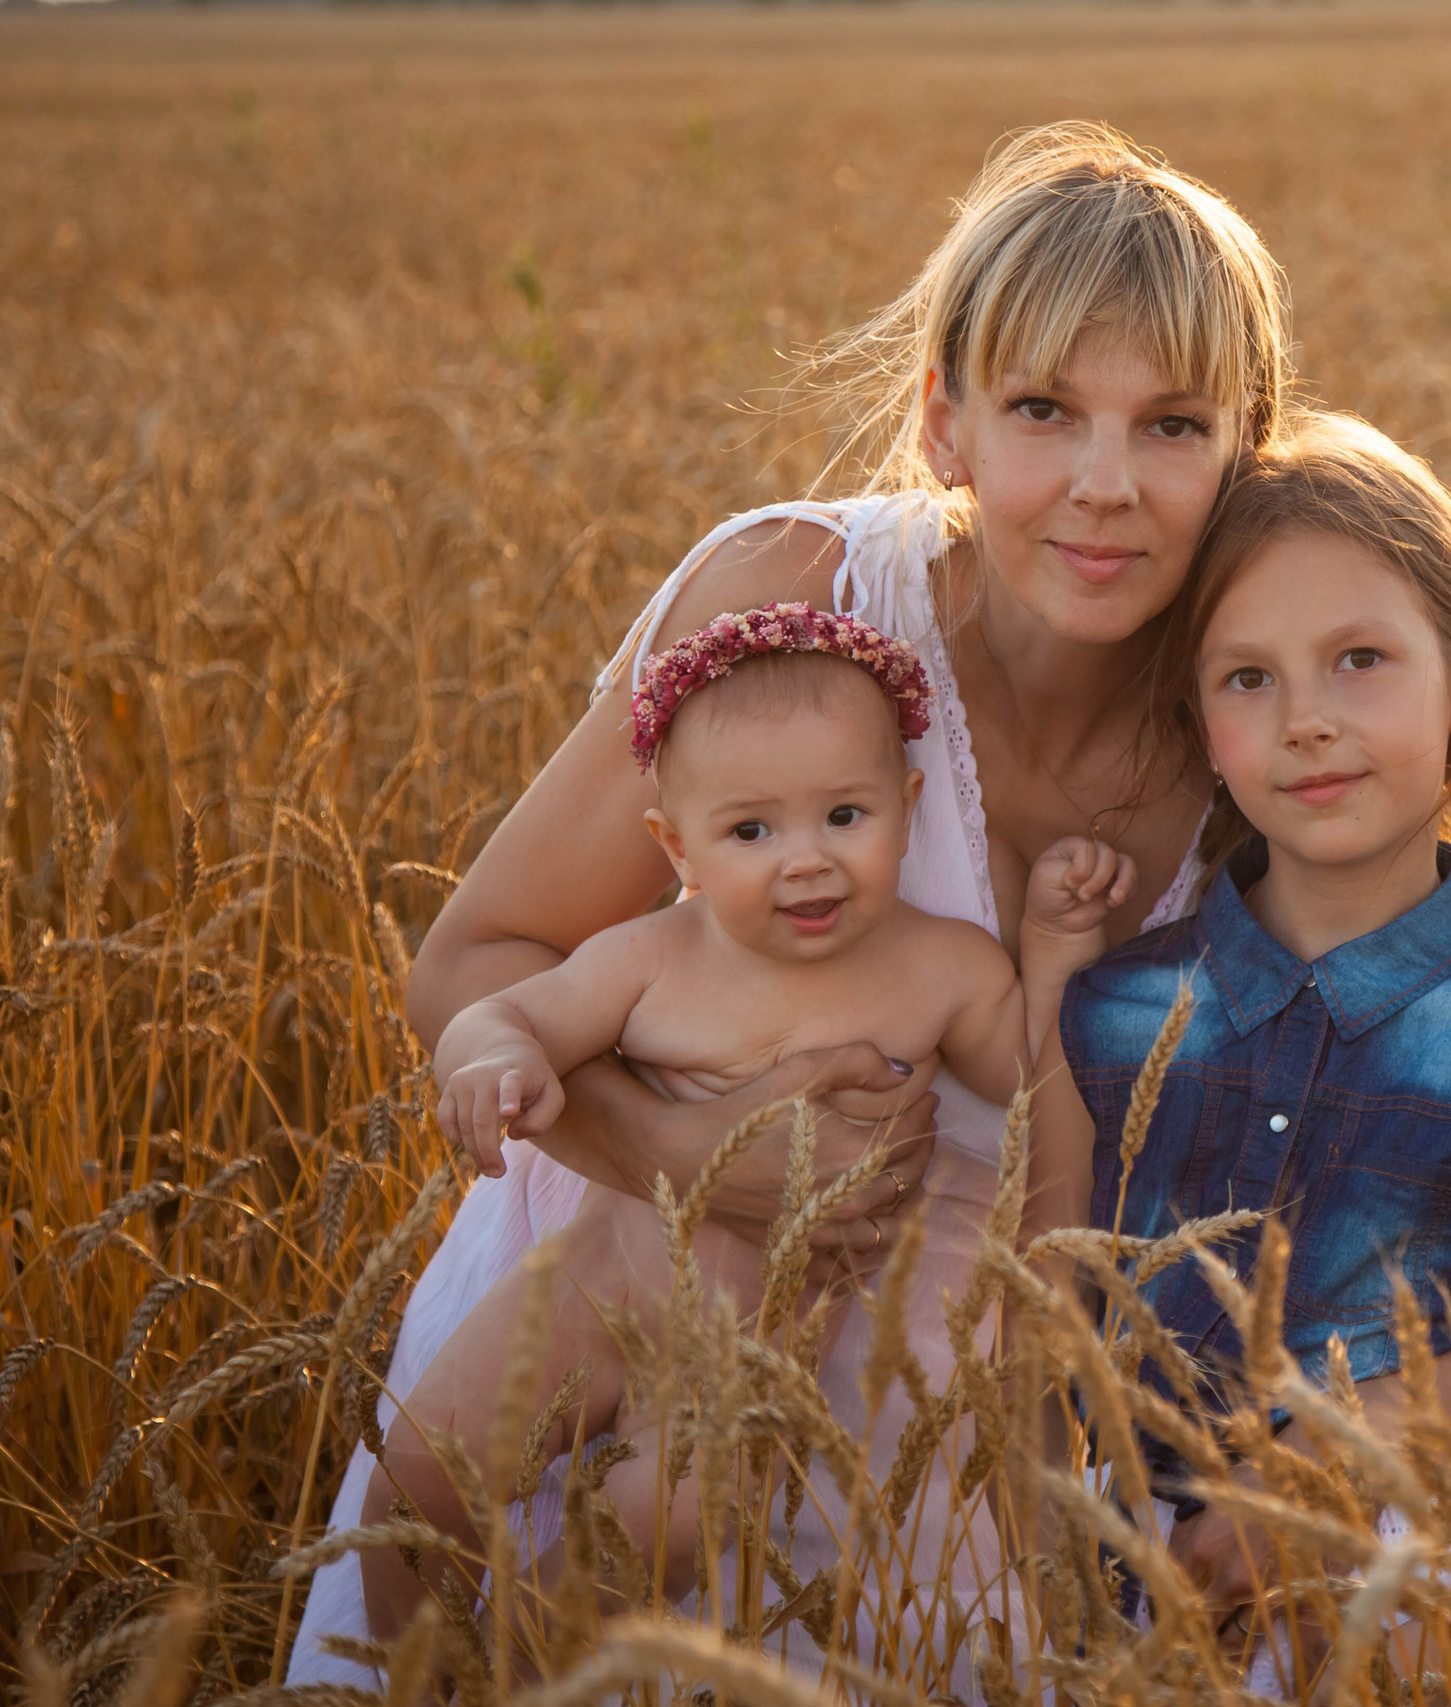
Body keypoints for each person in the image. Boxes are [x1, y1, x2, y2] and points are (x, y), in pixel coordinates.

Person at [287, 121, 1297, 1689]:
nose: (1106, 486)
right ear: (944, 422)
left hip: (969, 1412)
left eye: (1172, 424)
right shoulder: (799, 601)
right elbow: (478, 962)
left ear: (1245, 451)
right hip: (634, 1319)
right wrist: (700, 1151)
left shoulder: (1267, 708)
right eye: (1043, 409)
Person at [1019, 414, 1451, 1693]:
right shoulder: (1105, 1020)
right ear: (1197, 720)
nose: (1306, 721)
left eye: (1359, 660)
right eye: (1247, 678)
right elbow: (1037, 1360)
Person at [359, 608, 1035, 1640]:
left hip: (744, 1362)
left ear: (905, 809)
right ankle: (401, 1672)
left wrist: (1059, 947)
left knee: (664, 1530)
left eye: (843, 816)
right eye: (750, 832)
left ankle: (516, 1666)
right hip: (591, 1291)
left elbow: (1030, 1079)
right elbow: (504, 1013)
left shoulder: (944, 968)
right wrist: (495, 1062)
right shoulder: (652, 959)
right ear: (677, 845)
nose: (805, 861)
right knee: (417, 1471)